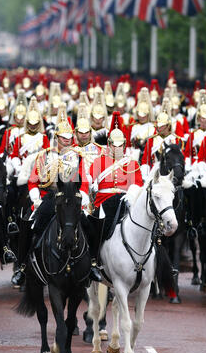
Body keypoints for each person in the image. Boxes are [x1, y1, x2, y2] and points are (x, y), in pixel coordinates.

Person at [11, 108, 102, 286]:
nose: (67, 141)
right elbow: (32, 181)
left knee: (89, 225)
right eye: (63, 138)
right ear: (57, 138)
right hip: (48, 198)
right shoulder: (44, 156)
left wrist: (82, 198)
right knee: (30, 225)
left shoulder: (78, 157)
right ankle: (22, 267)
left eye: (69, 138)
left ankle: (92, 264)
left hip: (71, 199)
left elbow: (83, 182)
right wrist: (36, 199)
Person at [87, 111, 143, 268]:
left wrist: (130, 195)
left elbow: (137, 184)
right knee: (96, 226)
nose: (117, 148)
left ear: (124, 145)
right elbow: (89, 179)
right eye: (114, 145)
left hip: (125, 200)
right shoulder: (99, 161)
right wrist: (90, 185)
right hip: (103, 201)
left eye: (120, 145)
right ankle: (94, 258)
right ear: (109, 145)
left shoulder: (131, 163)